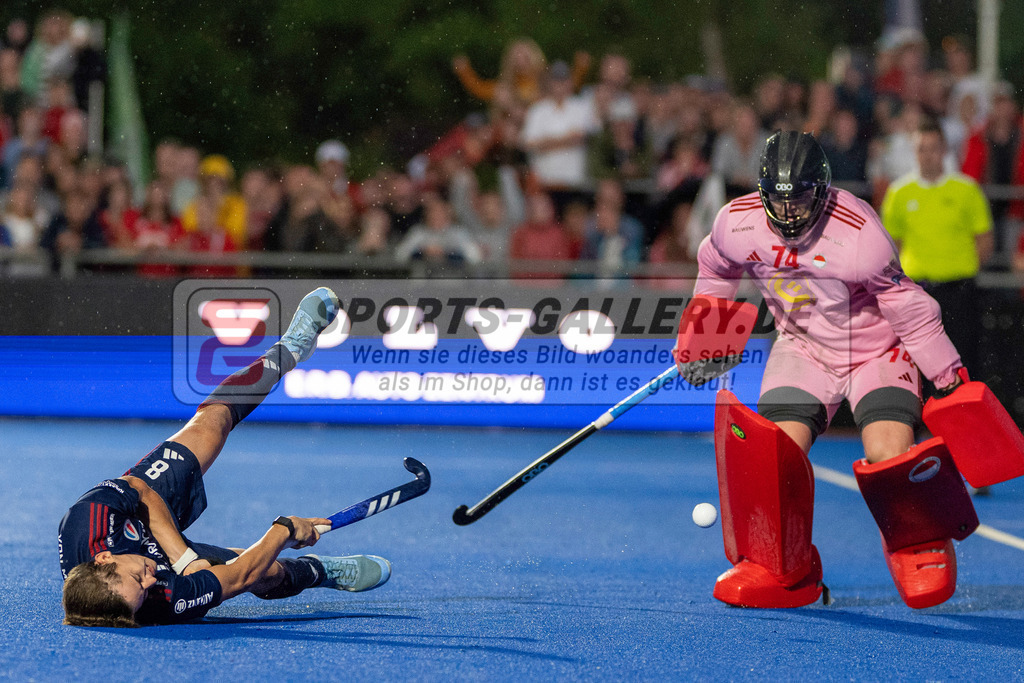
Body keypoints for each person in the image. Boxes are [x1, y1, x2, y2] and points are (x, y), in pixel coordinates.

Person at [694, 130, 979, 610]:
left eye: (800, 199)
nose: (788, 214)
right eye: (778, 201)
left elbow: (908, 307)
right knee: (773, 460)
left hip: (876, 351)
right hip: (803, 348)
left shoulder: (859, 233)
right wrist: (708, 338)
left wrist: (948, 375)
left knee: (889, 455)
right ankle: (788, 569)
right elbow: (715, 267)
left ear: (822, 191)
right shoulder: (734, 224)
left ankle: (918, 544)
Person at [60, 288, 392, 627]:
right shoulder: (162, 601)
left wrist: (186, 559)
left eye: (137, 580)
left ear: (102, 559)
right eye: (143, 593)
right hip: (157, 552)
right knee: (266, 571)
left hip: (141, 507)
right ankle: (320, 570)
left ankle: (290, 349)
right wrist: (284, 531)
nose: (150, 581)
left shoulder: (86, 521)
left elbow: (140, 491)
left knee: (211, 424)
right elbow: (239, 578)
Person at [881, 119, 992, 377]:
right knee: (917, 365)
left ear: (944, 151)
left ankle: (963, 418)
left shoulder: (967, 190)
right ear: (914, 151)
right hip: (918, 291)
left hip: (960, 290)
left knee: (964, 362)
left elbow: (984, 242)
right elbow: (890, 247)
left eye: (933, 148)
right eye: (922, 148)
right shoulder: (899, 193)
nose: (928, 155)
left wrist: (960, 267)